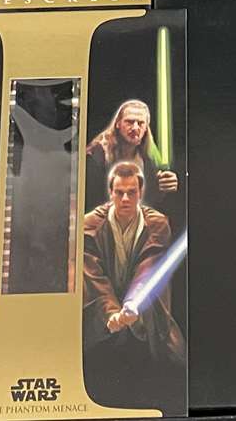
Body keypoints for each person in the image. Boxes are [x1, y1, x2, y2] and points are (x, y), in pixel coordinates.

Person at [82, 161, 185, 411]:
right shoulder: (89, 225)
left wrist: (131, 303)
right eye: (119, 192)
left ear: (141, 193)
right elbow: (94, 276)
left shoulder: (157, 223)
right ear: (110, 193)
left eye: (131, 192)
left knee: (171, 363)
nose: (125, 199)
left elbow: (148, 267)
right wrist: (111, 313)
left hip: (143, 309)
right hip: (102, 311)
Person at [85, 99, 177, 209]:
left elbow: (153, 198)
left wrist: (166, 186)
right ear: (118, 124)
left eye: (140, 123)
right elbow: (90, 199)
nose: (135, 128)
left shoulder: (149, 155)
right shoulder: (97, 154)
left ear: (146, 128)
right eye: (129, 122)